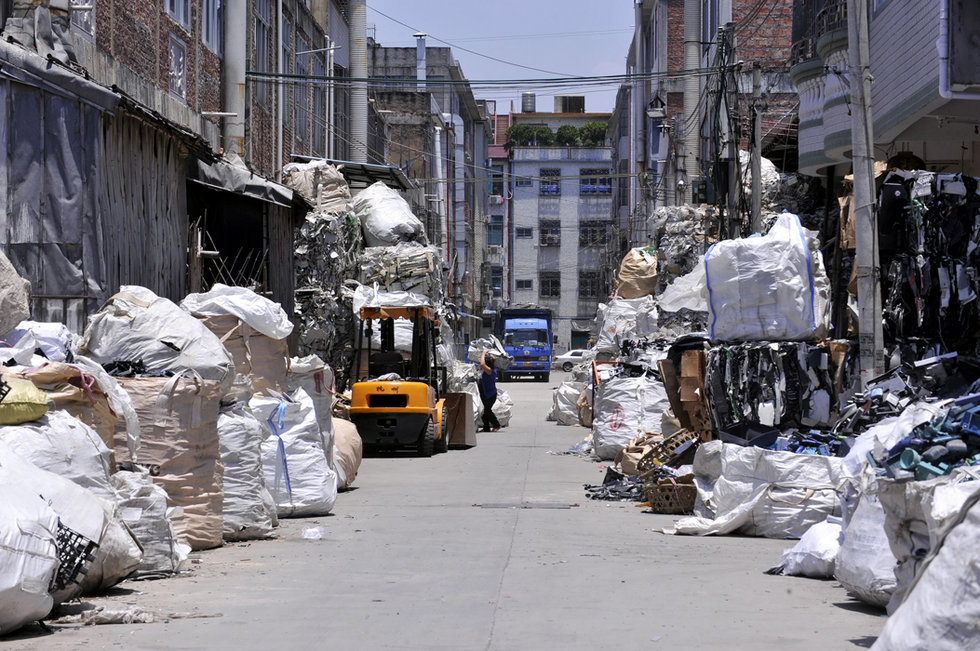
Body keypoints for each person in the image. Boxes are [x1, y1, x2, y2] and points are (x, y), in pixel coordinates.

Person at [479, 350, 501, 432]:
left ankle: (496, 425)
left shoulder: (490, 371)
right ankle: (486, 427)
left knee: (487, 410)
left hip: (491, 395)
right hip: (486, 393)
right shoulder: (487, 370)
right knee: (484, 411)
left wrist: (483, 353)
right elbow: (481, 365)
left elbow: (482, 364)